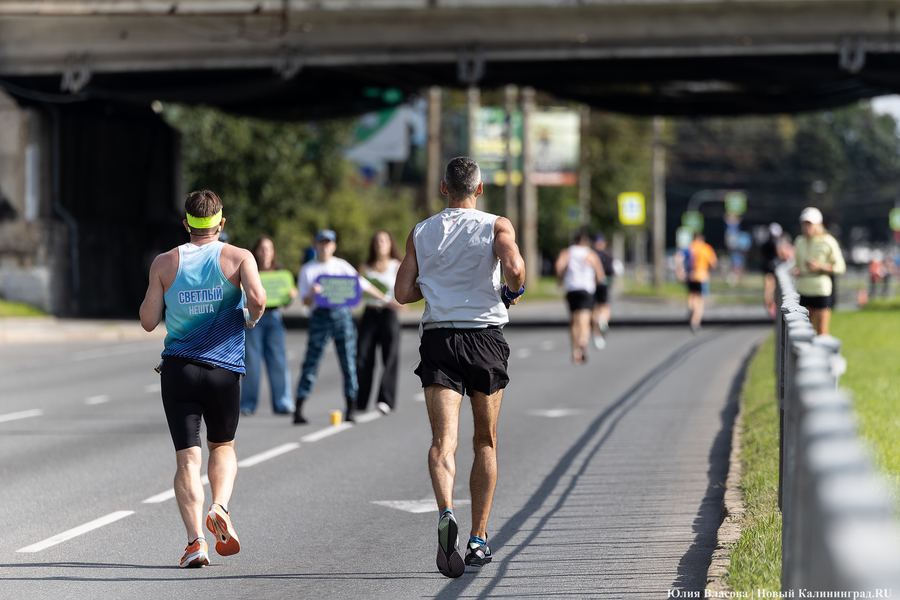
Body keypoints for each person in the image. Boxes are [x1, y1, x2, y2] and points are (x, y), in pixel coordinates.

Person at [394, 156, 525, 578]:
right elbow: (516, 267)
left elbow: (401, 292)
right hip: (485, 339)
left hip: (439, 339)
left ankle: (446, 510)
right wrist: (511, 290)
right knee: (484, 442)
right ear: (480, 189)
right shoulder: (497, 225)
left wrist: (436, 286)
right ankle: (478, 539)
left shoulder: (421, 231)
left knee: (441, 442)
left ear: (443, 189)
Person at [139, 189, 266, 568]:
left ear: (186, 224)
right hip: (223, 370)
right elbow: (258, 299)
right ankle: (220, 507)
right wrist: (248, 318)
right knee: (222, 447)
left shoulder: (164, 262)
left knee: (186, 459)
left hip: (179, 370)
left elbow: (147, 321)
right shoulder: (239, 257)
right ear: (221, 223)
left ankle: (195, 542)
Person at [293, 229, 386, 425]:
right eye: (321, 242)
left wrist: (386, 299)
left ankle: (351, 406)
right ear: (316, 245)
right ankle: (299, 406)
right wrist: (313, 294)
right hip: (320, 316)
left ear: (334, 246)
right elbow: (305, 301)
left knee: (348, 361)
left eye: (328, 243)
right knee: (312, 361)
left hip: (341, 315)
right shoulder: (308, 270)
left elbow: (361, 285)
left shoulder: (342, 266)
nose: (325, 246)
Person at [240, 237, 297, 416]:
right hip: (254, 318)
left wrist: (291, 296)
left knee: (279, 362)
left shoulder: (280, 274)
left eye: (269, 249)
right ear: (256, 251)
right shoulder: (250, 271)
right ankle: (247, 404)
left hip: (273, 318)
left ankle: (283, 403)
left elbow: (285, 302)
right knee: (251, 363)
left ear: (273, 252)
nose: (266, 252)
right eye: (263, 249)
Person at [356, 230, 404, 415]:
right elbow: (357, 292)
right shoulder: (365, 267)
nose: (380, 244)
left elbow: (403, 290)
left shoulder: (396, 265)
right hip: (369, 314)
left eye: (384, 240)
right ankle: (360, 401)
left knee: (390, 357)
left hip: (388, 315)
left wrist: (399, 303)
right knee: (363, 357)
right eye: (377, 241)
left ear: (390, 244)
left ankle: (385, 400)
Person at [793, 207, 846, 335]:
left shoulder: (828, 241)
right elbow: (797, 264)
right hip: (803, 289)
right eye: (804, 224)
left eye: (810, 224)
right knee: (804, 331)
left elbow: (840, 267)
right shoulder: (799, 241)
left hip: (821, 290)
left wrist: (820, 266)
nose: (807, 228)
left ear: (818, 224)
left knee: (821, 331)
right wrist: (796, 270)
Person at [555, 231, 604, 363]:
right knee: (585, 319)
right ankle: (583, 340)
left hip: (572, 289)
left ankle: (576, 350)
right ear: (586, 242)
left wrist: (560, 280)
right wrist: (596, 282)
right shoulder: (590, 253)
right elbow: (600, 274)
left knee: (574, 319)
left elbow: (559, 266)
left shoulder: (567, 252)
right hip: (586, 289)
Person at [686, 232, 718, 333]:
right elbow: (713, 263)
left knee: (692, 295)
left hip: (690, 275)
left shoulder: (690, 248)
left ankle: (691, 309)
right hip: (702, 275)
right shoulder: (706, 248)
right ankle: (696, 320)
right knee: (700, 299)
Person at [591, 233, 614, 349]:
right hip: (605, 283)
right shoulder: (608, 254)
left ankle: (597, 337)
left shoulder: (591, 254)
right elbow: (612, 270)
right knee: (605, 305)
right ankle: (603, 319)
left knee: (594, 308)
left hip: (592, 284)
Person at [761, 222, 788, 318]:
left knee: (769, 289)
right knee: (771, 289)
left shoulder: (765, 243)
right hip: (773, 269)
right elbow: (781, 255)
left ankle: (771, 307)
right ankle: (772, 307)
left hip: (767, 268)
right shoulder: (775, 244)